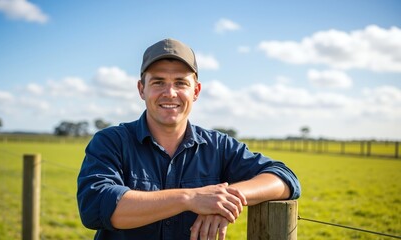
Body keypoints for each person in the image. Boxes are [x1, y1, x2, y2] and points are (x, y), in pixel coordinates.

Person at [77, 38, 301, 240]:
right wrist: (190, 198)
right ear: (141, 89)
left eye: (180, 83)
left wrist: (224, 199)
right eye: (158, 82)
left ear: (196, 91)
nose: (170, 93)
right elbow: (95, 206)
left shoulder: (218, 146)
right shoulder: (112, 142)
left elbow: (284, 178)